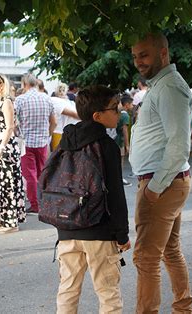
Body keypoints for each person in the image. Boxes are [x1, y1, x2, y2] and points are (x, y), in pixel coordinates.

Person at [129, 32, 192, 313]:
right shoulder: (162, 85)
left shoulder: (168, 87)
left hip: (162, 182)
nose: (138, 62)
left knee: (146, 258)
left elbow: (179, 144)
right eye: (135, 56)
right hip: (167, 180)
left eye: (144, 55)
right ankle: (183, 309)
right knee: (169, 252)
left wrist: (155, 187)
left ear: (163, 53)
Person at [55, 85, 130, 313]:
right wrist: (122, 234)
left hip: (67, 229)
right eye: (114, 109)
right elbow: (116, 194)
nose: (118, 113)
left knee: (67, 289)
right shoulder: (106, 145)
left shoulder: (65, 142)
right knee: (108, 294)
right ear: (98, 116)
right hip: (100, 231)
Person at [0, 73, 26, 234]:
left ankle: (11, 223)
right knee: (0, 184)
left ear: (1, 86)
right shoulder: (0, 102)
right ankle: (2, 217)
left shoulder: (6, 102)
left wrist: (1, 148)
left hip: (6, 150)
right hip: (1, 146)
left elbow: (10, 127)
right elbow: (5, 127)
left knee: (8, 184)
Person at [15, 73, 56, 214]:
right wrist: (47, 134)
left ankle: (35, 205)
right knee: (42, 173)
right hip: (42, 142)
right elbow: (54, 122)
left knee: (30, 175)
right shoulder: (47, 98)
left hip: (26, 142)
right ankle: (44, 202)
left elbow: (14, 123)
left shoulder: (20, 100)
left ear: (24, 84)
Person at [50, 83, 80, 151]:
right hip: (70, 133)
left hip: (58, 132)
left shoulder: (54, 101)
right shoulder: (70, 103)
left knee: (56, 156)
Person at [115, 94, 133, 186]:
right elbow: (125, 131)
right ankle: (119, 178)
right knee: (120, 160)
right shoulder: (125, 116)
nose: (132, 106)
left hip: (114, 139)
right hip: (120, 141)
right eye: (131, 104)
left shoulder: (118, 113)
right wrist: (127, 145)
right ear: (126, 104)